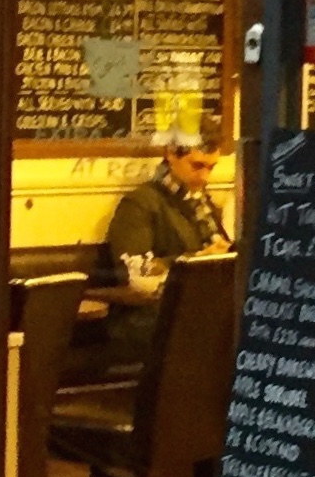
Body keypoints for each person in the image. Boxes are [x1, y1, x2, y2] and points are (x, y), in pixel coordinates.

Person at [98, 120, 233, 373]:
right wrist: (195, 261)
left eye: (211, 167)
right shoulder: (140, 204)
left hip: (193, 312)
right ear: (171, 153)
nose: (204, 176)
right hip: (149, 319)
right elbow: (135, 275)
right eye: (197, 165)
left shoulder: (202, 202)